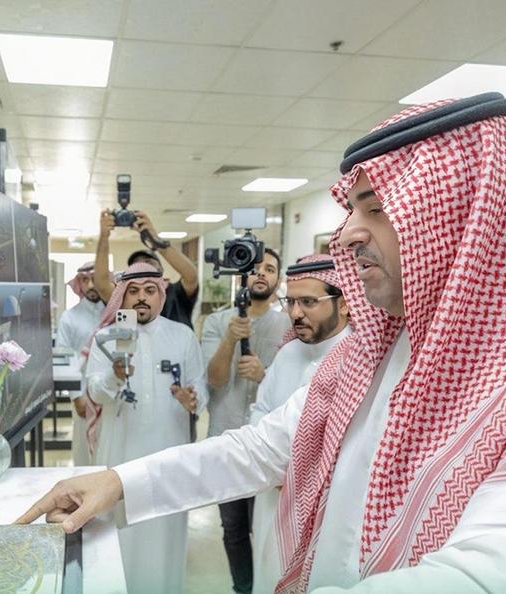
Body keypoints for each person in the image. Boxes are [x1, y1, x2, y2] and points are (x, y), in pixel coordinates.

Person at [18, 94, 506, 593]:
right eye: (352, 210)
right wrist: (119, 482)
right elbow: (264, 446)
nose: (347, 235)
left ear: (466, 214)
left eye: (376, 209)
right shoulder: (376, 350)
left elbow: (498, 577)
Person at [83, 262, 206, 594]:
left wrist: (193, 398)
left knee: (166, 530)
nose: (141, 298)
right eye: (133, 291)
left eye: (150, 291)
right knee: (120, 530)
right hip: (121, 454)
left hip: (170, 453)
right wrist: (114, 377)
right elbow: (95, 392)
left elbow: (200, 385)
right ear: (122, 297)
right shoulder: (106, 339)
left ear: (161, 295)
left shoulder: (182, 335)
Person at [248, 254, 352, 591]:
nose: (295, 313)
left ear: (345, 303)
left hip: (328, 509)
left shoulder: (361, 359)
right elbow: (260, 410)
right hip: (273, 496)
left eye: (308, 302)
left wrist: (299, 472)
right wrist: (279, 469)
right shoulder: (287, 354)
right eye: (290, 302)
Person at [200, 246, 291, 594]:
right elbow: (215, 379)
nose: (262, 274)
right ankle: (243, 588)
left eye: (270, 269)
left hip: (271, 447)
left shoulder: (289, 324)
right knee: (233, 528)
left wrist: (264, 374)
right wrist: (230, 338)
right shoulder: (217, 322)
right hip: (227, 441)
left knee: (265, 527)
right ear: (242, 274)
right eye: (256, 268)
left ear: (278, 279)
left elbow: (299, 389)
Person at [94, 210, 200, 328]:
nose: (144, 268)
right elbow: (101, 284)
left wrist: (155, 240)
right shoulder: (125, 295)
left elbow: (191, 275)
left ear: (161, 269)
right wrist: (104, 237)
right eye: (137, 266)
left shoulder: (175, 293)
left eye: (149, 263)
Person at [55, 262, 105, 466]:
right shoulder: (69, 317)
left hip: (112, 395)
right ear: (79, 284)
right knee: (85, 456)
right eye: (85, 280)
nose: (91, 285)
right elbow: (63, 358)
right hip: (84, 396)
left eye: (95, 279)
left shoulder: (115, 314)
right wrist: (76, 397)